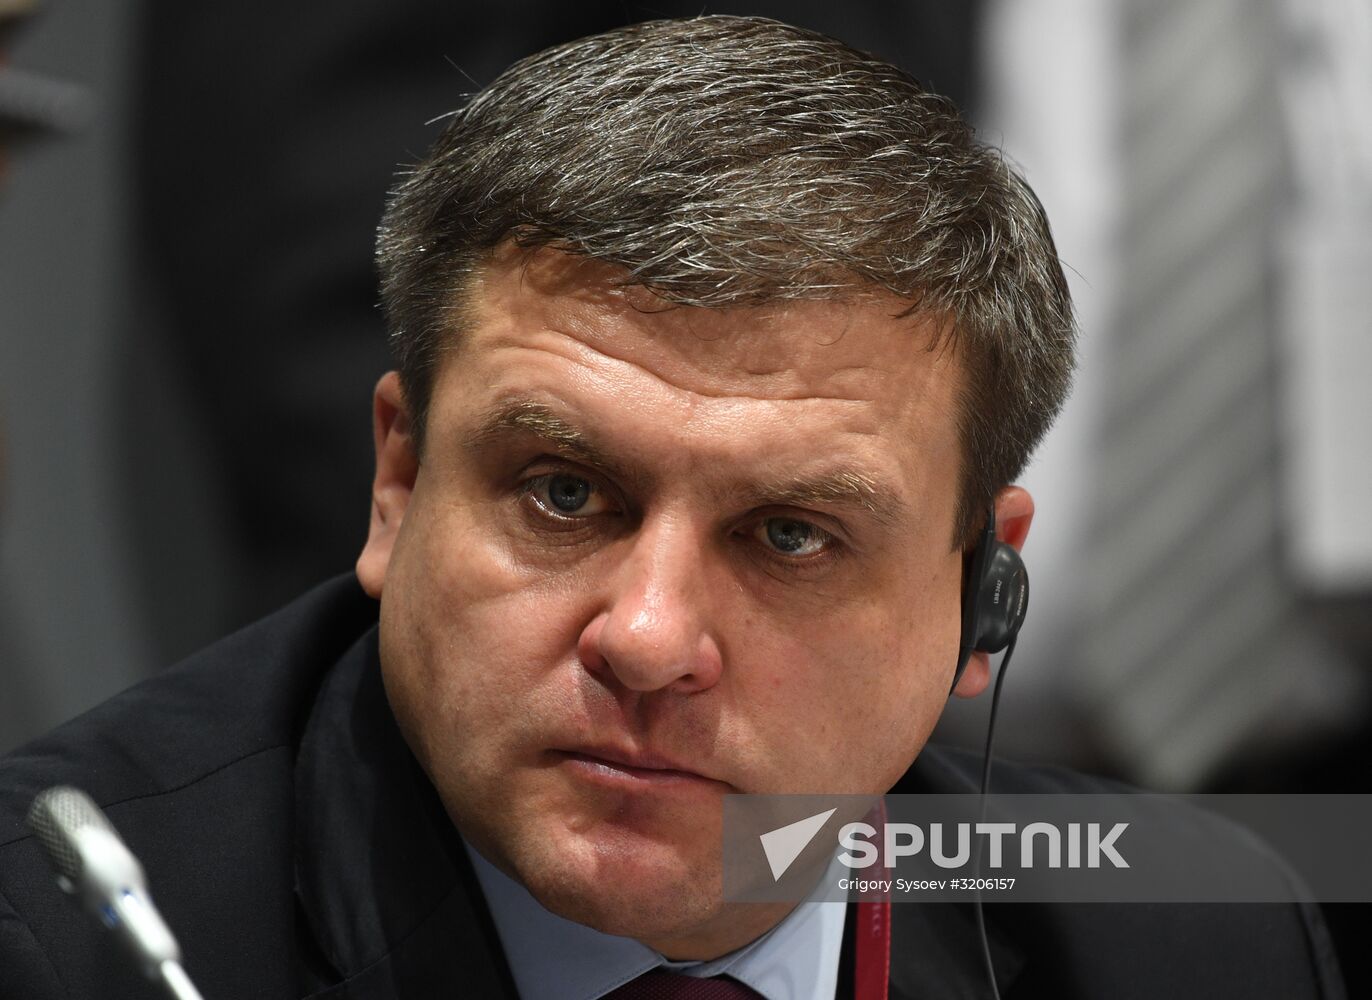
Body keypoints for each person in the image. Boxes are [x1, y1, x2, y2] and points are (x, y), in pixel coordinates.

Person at [0, 16, 1344, 999]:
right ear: (397, 485)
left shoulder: (1188, 935)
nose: (646, 639)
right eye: (564, 493)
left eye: (789, 536)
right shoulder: (68, 941)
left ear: (980, 597)